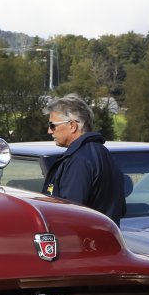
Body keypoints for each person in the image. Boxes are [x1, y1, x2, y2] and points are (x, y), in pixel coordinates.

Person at [42, 94, 126, 222]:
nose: (49, 131)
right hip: (107, 232)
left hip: (85, 234)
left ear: (72, 126)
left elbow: (69, 214)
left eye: (52, 125)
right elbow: (121, 209)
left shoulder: (78, 160)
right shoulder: (106, 155)